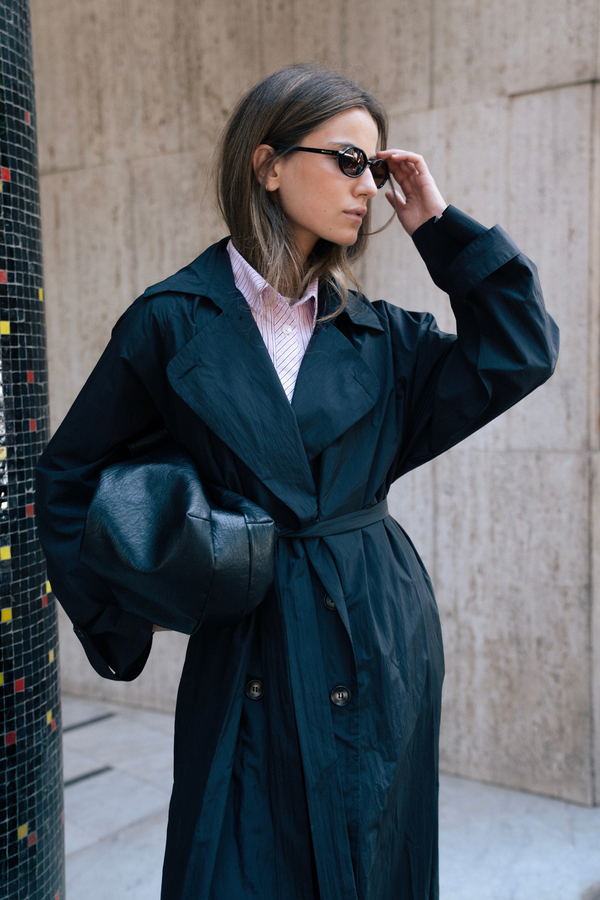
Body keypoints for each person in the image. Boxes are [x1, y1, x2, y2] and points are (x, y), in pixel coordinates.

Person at [35, 65, 559, 900]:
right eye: (348, 161)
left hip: (378, 629)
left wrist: (438, 227)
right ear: (268, 163)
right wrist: (129, 616)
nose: (366, 188)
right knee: (237, 860)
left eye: (375, 169)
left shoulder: (382, 338)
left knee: (373, 856)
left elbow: (518, 350)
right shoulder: (172, 321)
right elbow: (67, 475)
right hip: (251, 635)